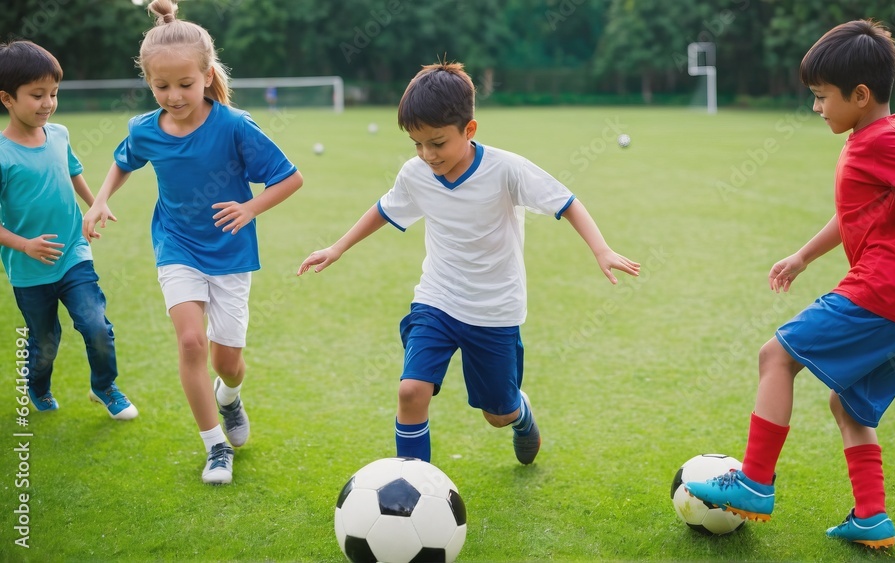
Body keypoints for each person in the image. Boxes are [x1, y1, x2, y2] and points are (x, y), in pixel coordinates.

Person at [684, 20, 895, 549]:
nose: (817, 108)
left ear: (860, 96)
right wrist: (802, 256)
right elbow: (853, 214)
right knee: (849, 407)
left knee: (776, 356)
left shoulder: (885, 141)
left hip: (884, 291)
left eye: (822, 97)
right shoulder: (873, 137)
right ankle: (871, 518)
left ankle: (755, 482)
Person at [298, 61, 640, 465]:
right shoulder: (416, 173)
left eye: (438, 143)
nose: (428, 155)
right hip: (437, 300)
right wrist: (337, 247)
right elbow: (385, 209)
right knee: (410, 391)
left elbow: (566, 202)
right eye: (418, 144)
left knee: (498, 414)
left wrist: (601, 249)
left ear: (469, 130)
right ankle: (411, 489)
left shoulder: (506, 169)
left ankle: (520, 414)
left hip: (494, 310)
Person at [83, 0, 303, 485]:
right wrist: (99, 200)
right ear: (148, 82)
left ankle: (230, 397)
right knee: (189, 342)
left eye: (184, 84)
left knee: (229, 362)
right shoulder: (145, 129)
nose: (173, 96)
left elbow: (289, 178)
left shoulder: (234, 125)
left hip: (230, 253)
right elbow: (124, 159)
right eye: (161, 86)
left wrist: (249, 209)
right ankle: (215, 446)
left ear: (206, 75)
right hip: (177, 246)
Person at [0, 40, 138, 421]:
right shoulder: (2, 155)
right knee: (45, 342)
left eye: (54, 94)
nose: (48, 103)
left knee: (96, 324)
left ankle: (104, 386)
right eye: (37, 95)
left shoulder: (58, 134)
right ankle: (38, 387)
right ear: (7, 98)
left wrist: (96, 203)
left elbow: (73, 170)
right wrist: (24, 245)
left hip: (74, 252)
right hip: (29, 269)